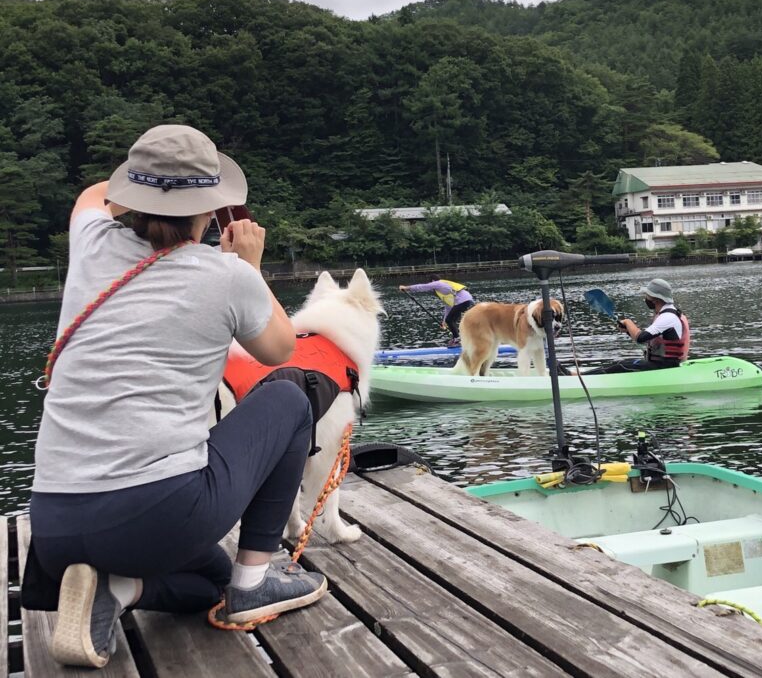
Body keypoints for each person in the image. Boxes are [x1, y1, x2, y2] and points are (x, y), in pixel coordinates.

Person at [29, 125, 327, 668]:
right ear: (209, 209)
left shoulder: (91, 240)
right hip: (157, 517)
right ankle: (256, 583)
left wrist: (143, 183)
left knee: (210, 579)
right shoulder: (227, 275)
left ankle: (115, 593)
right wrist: (251, 265)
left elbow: (94, 195)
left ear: (131, 198)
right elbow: (280, 349)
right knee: (289, 399)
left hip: (52, 526)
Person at [583, 278, 689, 375]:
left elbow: (640, 337)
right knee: (621, 362)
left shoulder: (668, 317)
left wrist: (629, 323)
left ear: (656, 299)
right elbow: (646, 340)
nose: (645, 298)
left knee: (620, 366)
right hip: (660, 364)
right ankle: (580, 375)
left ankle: (577, 378)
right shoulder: (667, 313)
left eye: (647, 295)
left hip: (666, 368)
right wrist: (628, 330)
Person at [398, 275, 475, 346]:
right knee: (451, 320)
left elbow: (423, 287)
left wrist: (406, 288)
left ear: (433, 281)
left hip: (462, 300)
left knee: (450, 320)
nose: (432, 287)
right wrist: (444, 322)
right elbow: (448, 307)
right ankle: (458, 339)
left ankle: (457, 339)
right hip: (467, 300)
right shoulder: (445, 287)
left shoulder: (437, 283)